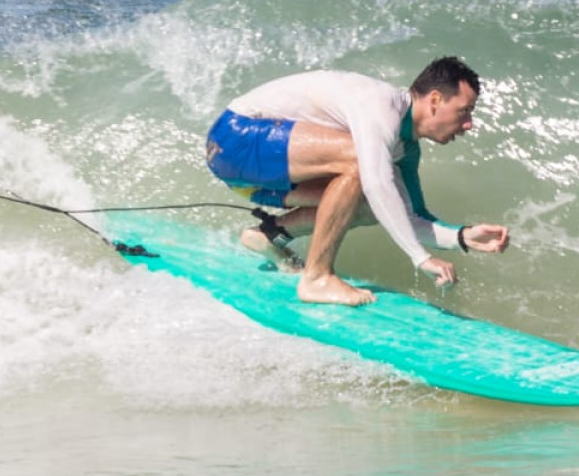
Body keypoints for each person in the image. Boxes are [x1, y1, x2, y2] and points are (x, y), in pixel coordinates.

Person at [204, 56, 510, 305]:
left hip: (261, 176)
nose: (469, 124)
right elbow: (376, 181)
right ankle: (317, 278)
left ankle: (272, 234)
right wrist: (421, 258)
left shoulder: (405, 148)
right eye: (464, 111)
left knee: (373, 205)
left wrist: (462, 236)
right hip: (233, 140)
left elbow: (408, 217)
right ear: (434, 100)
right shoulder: (382, 108)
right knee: (362, 166)